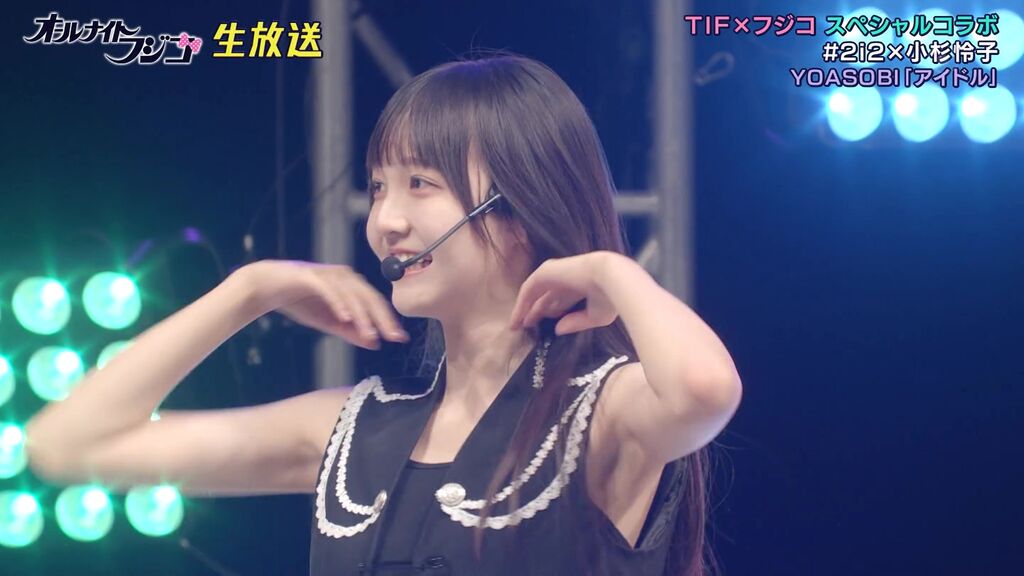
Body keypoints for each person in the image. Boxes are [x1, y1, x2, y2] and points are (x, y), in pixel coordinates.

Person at [25, 53, 742, 576]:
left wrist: (611, 271)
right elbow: (66, 447)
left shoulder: (601, 411)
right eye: (376, 188)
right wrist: (248, 291)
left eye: (419, 183)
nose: (385, 221)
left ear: (519, 210)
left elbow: (705, 390)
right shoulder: (350, 429)